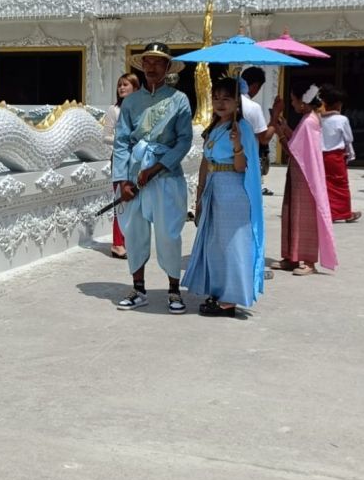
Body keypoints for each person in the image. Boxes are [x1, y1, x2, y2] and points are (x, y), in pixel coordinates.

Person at [112, 43, 193, 314]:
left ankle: (173, 290)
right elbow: (121, 142)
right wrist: (122, 180)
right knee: (134, 233)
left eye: (158, 62)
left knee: (168, 234)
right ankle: (138, 289)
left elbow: (184, 141)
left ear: (168, 67)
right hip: (135, 176)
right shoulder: (131, 102)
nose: (151, 67)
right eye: (147, 61)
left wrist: (156, 168)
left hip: (166, 175)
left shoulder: (179, 100)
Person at [182, 78, 265, 317]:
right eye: (216, 98)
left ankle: (230, 300)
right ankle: (219, 291)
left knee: (232, 244)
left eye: (226, 98)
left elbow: (242, 167)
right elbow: (205, 161)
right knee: (215, 243)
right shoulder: (216, 126)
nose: (220, 103)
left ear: (237, 102)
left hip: (233, 191)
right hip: (214, 188)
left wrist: (237, 145)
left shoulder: (242, 128)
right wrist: (199, 194)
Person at [272, 82, 338, 276]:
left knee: (304, 217)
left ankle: (308, 261)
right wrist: (285, 128)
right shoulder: (308, 118)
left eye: (293, 100)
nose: (292, 104)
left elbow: (294, 150)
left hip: (305, 176)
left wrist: (279, 131)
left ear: (303, 101)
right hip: (298, 173)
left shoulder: (309, 121)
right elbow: (298, 142)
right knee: (292, 214)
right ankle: (291, 257)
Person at [102, 72, 140, 258]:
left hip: (138, 159)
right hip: (119, 159)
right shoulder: (114, 110)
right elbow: (105, 136)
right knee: (121, 200)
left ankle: (130, 240)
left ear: (136, 88)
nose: (121, 88)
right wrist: (123, 140)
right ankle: (117, 243)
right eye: (120, 85)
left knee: (136, 201)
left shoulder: (142, 109)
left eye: (126, 84)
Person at [319, 84, 360, 223]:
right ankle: (344, 213)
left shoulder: (318, 118)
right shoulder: (342, 119)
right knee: (341, 184)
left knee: (325, 184)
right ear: (338, 104)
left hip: (321, 155)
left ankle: (328, 211)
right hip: (336, 156)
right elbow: (349, 138)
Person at [240, 67, 283, 196]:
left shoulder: (230, 103)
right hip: (247, 159)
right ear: (255, 86)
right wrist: (275, 115)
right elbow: (264, 138)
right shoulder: (252, 107)